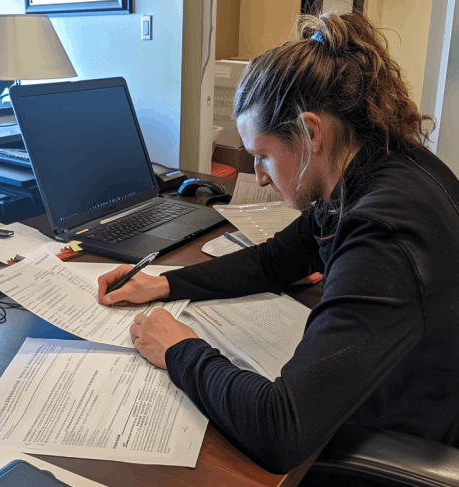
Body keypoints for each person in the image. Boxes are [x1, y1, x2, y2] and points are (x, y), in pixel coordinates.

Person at [98, 11, 459, 480]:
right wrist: (163, 284)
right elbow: (276, 259)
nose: (261, 177)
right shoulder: (377, 166)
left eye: (263, 155)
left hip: (400, 434)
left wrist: (180, 349)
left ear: (310, 133)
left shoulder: (382, 232)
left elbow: (280, 431)